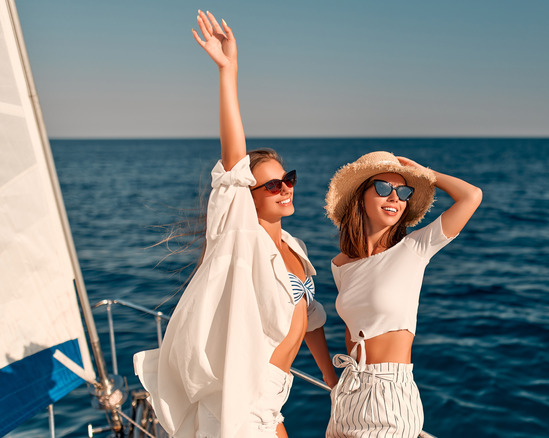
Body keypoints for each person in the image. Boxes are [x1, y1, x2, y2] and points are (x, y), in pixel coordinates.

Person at [133, 11, 338, 437]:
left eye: (289, 179)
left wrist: (332, 381)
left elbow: (309, 317)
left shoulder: (296, 248)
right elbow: (233, 165)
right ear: (245, 196)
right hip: (240, 402)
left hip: (274, 399)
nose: (285, 189)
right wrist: (229, 72)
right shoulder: (242, 239)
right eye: (271, 185)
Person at [323, 151, 482, 437]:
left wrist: (427, 174)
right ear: (360, 196)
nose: (395, 198)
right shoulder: (341, 265)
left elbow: (471, 196)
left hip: (389, 395)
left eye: (404, 191)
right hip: (348, 392)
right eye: (384, 188)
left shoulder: (414, 249)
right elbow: (354, 331)